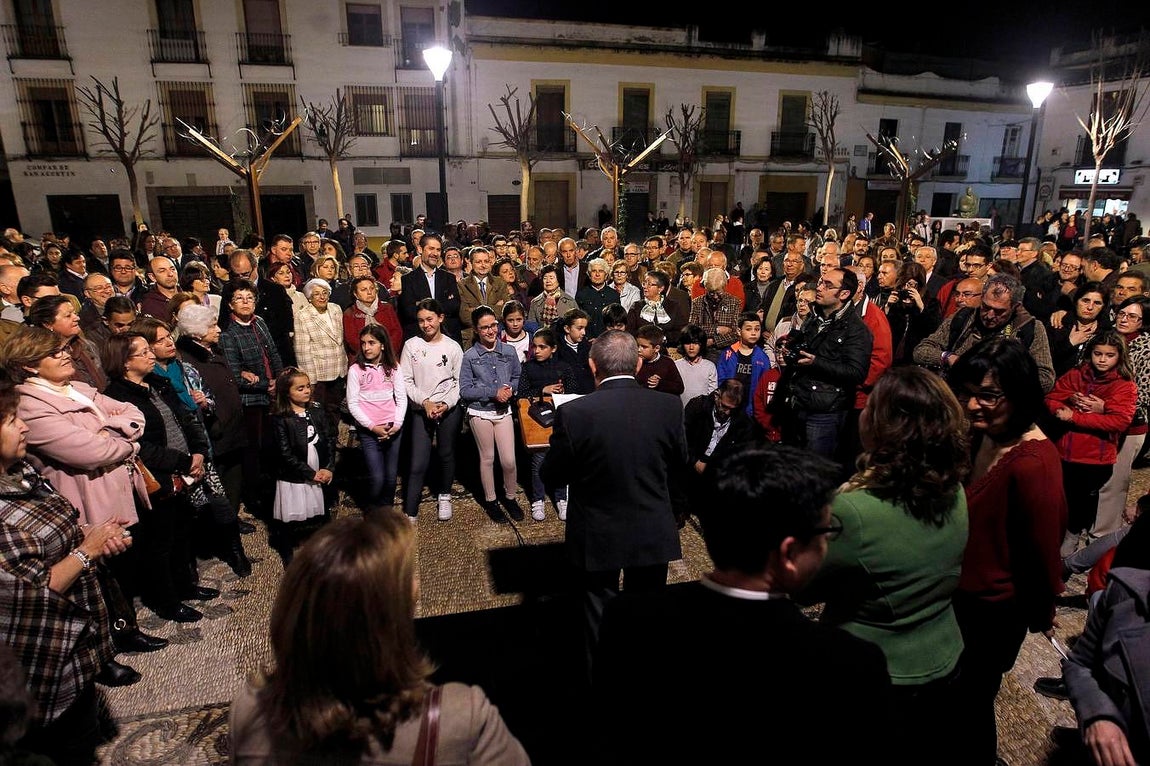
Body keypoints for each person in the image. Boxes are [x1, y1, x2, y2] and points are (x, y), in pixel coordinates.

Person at [592, 445, 893, 766]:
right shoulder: (850, 664)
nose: (826, 544)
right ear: (789, 554)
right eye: (826, 532)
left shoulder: (628, 618)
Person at [229, 513, 530, 765]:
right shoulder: (464, 717)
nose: (416, 585)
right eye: (408, 579)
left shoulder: (250, 711)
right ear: (381, 627)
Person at [798, 366, 970, 765]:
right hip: (943, 654)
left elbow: (802, 587)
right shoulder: (953, 488)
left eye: (871, 407)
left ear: (883, 427)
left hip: (875, 669)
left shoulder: (854, 511)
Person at [0, 368, 137, 764]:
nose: (24, 427)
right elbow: (35, 590)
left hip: (76, 643)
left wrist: (93, 533)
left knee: (83, 728)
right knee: (66, 746)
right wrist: (86, 551)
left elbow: (59, 526)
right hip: (42, 655)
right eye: (11, 421)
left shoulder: (21, 471)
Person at [947, 336, 1068, 765]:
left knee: (972, 701)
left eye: (988, 395)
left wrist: (1042, 611)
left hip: (992, 612)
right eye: (967, 393)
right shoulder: (983, 435)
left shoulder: (1033, 464)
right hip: (960, 597)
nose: (973, 405)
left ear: (1019, 394)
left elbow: (1042, 554)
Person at [541, 330, 689, 677]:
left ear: (593, 366)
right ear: (637, 365)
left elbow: (553, 475)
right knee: (646, 616)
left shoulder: (574, 413)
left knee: (597, 617)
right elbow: (679, 462)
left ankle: (600, 687)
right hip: (651, 526)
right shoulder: (669, 406)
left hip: (598, 531)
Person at [102, 332, 215, 624]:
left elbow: (184, 417)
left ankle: (186, 585)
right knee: (160, 542)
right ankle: (166, 601)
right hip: (157, 476)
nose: (151, 355)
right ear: (124, 362)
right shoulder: (116, 397)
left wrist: (198, 452)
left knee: (182, 532)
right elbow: (140, 446)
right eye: (142, 352)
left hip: (184, 469)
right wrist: (183, 461)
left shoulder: (156, 383)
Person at [174, 303, 251, 577]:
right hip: (215, 432)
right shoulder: (187, 360)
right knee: (217, 492)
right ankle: (227, 541)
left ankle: (232, 519)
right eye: (212, 326)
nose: (218, 330)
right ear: (196, 333)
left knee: (234, 479)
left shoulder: (212, 351)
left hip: (232, 429)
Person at [1046, 329, 1137, 558]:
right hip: (1064, 451)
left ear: (1119, 356)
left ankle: (1072, 538)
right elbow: (1052, 397)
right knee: (1059, 497)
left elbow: (1120, 420)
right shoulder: (1078, 374)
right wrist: (1064, 404)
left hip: (1094, 458)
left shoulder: (1124, 385)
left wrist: (1076, 417)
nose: (1102, 360)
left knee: (1080, 502)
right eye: (1098, 354)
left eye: (1109, 355)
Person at [399, 298, 464, 522]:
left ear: (440, 318)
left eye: (430, 319)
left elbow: (459, 382)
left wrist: (445, 404)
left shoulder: (453, 347)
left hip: (448, 408)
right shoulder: (411, 346)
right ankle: (410, 509)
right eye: (421, 321)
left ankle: (444, 495)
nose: (426, 325)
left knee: (446, 453)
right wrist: (425, 402)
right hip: (421, 408)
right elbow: (406, 380)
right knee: (418, 461)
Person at [460, 305, 524, 522]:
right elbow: (465, 390)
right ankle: (491, 501)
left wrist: (510, 390)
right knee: (487, 458)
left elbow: (517, 377)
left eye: (493, 325)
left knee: (509, 460)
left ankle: (510, 497)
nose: (490, 331)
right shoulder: (470, 356)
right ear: (476, 330)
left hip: (503, 411)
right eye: (485, 327)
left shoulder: (508, 351)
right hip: (480, 411)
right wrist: (492, 392)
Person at [268, 367, 335, 565]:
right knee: (292, 513)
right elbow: (285, 453)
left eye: (307, 386)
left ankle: (324, 548)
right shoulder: (281, 418)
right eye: (300, 388)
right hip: (295, 475)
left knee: (321, 512)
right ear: (286, 392)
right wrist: (309, 473)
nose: (307, 391)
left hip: (319, 470)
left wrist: (328, 467)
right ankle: (287, 551)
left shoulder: (316, 410)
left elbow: (329, 439)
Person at [346, 325, 406, 517]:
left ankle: (386, 512)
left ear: (382, 345)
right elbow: (353, 404)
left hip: (392, 429)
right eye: (363, 343)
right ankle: (372, 511)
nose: (366, 347)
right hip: (369, 432)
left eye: (371, 343)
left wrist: (397, 424)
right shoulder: (356, 370)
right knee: (377, 478)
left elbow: (401, 398)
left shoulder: (394, 367)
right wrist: (373, 427)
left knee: (390, 478)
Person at [518, 327, 574, 522]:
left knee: (560, 459)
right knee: (539, 459)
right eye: (535, 347)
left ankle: (561, 498)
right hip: (537, 421)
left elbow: (573, 391)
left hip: (559, 419)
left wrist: (563, 391)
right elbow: (521, 394)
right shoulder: (528, 367)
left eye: (542, 347)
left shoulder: (564, 367)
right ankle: (538, 499)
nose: (537, 351)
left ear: (553, 348)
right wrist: (543, 390)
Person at [1047, 281, 1110, 377]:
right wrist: (1069, 343)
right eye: (1085, 301)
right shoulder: (1058, 324)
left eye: (1097, 303)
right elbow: (1045, 360)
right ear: (1076, 301)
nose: (1090, 307)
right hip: (1058, 380)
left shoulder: (1107, 332)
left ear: (1103, 307)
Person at [715, 312, 771, 416]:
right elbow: (721, 379)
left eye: (757, 329)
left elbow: (764, 386)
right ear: (739, 331)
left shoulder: (763, 358)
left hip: (751, 410)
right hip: (729, 406)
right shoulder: (728, 354)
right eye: (748, 329)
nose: (753, 333)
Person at [634, 323, 684, 397]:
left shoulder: (667, 363)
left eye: (644, 347)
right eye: (638, 345)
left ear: (656, 348)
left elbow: (679, 387)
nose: (639, 350)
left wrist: (660, 383)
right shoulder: (633, 362)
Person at [674, 323, 717, 406]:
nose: (691, 347)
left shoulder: (709, 366)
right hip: (679, 409)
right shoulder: (676, 365)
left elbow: (712, 394)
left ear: (701, 345)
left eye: (695, 343)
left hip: (702, 410)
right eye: (687, 343)